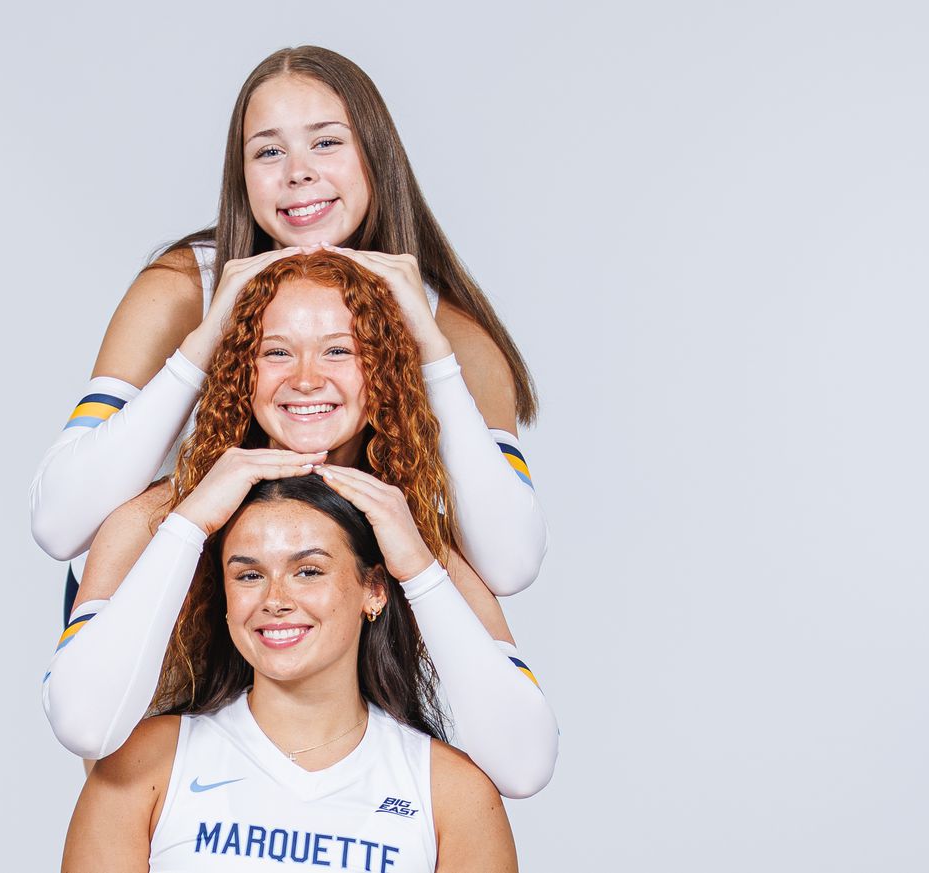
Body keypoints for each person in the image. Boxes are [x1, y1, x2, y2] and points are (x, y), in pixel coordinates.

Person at [31, 46, 548, 625]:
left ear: (376, 156)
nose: (297, 171)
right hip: (155, 603)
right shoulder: (184, 290)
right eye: (269, 151)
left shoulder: (449, 331)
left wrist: (433, 354)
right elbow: (60, 524)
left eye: (326, 142)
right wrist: (205, 340)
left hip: (325, 610)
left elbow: (511, 563)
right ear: (242, 175)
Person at [45, 252, 557, 798]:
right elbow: (84, 725)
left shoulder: (415, 536)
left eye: (339, 350)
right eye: (277, 352)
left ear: (382, 370)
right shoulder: (150, 521)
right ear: (243, 369)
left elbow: (524, 766)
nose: (307, 379)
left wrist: (418, 568)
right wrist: (191, 522)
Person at [62, 472, 517, 872]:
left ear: (374, 590)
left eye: (308, 571)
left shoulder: (453, 794)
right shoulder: (143, 763)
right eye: (249, 576)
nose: (275, 600)